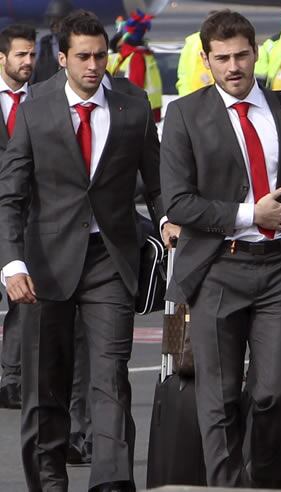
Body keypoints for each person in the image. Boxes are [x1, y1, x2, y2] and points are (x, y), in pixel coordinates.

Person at [0, 10, 173, 491]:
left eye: (101, 55)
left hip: (109, 261)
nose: (94, 65)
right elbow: (10, 194)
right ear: (62, 58)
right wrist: (11, 263)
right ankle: (49, 482)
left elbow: (157, 182)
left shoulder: (133, 106)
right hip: (45, 266)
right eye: (83, 57)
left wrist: (165, 218)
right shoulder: (36, 110)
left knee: (110, 378)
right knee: (45, 387)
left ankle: (112, 483)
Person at [160, 10, 281, 488]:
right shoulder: (184, 115)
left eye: (241, 55)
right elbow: (179, 202)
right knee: (220, 398)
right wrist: (253, 214)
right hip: (216, 269)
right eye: (222, 58)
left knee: (279, 392)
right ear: (206, 61)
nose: (233, 66)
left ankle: (262, 482)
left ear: (257, 52)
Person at [0, 24, 36, 411]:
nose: (28, 61)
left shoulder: (41, 100)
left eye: (31, 55)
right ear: (2, 58)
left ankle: (12, 378)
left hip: (22, 213)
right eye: (20, 55)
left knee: (20, 295)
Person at [107, 9, 163, 121]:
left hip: (135, 116)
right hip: (142, 113)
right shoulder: (130, 56)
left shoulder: (136, 57)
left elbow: (134, 90)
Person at [31, 0, 71, 83]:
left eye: (58, 19)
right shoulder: (40, 47)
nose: (53, 23)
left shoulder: (79, 46)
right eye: (50, 19)